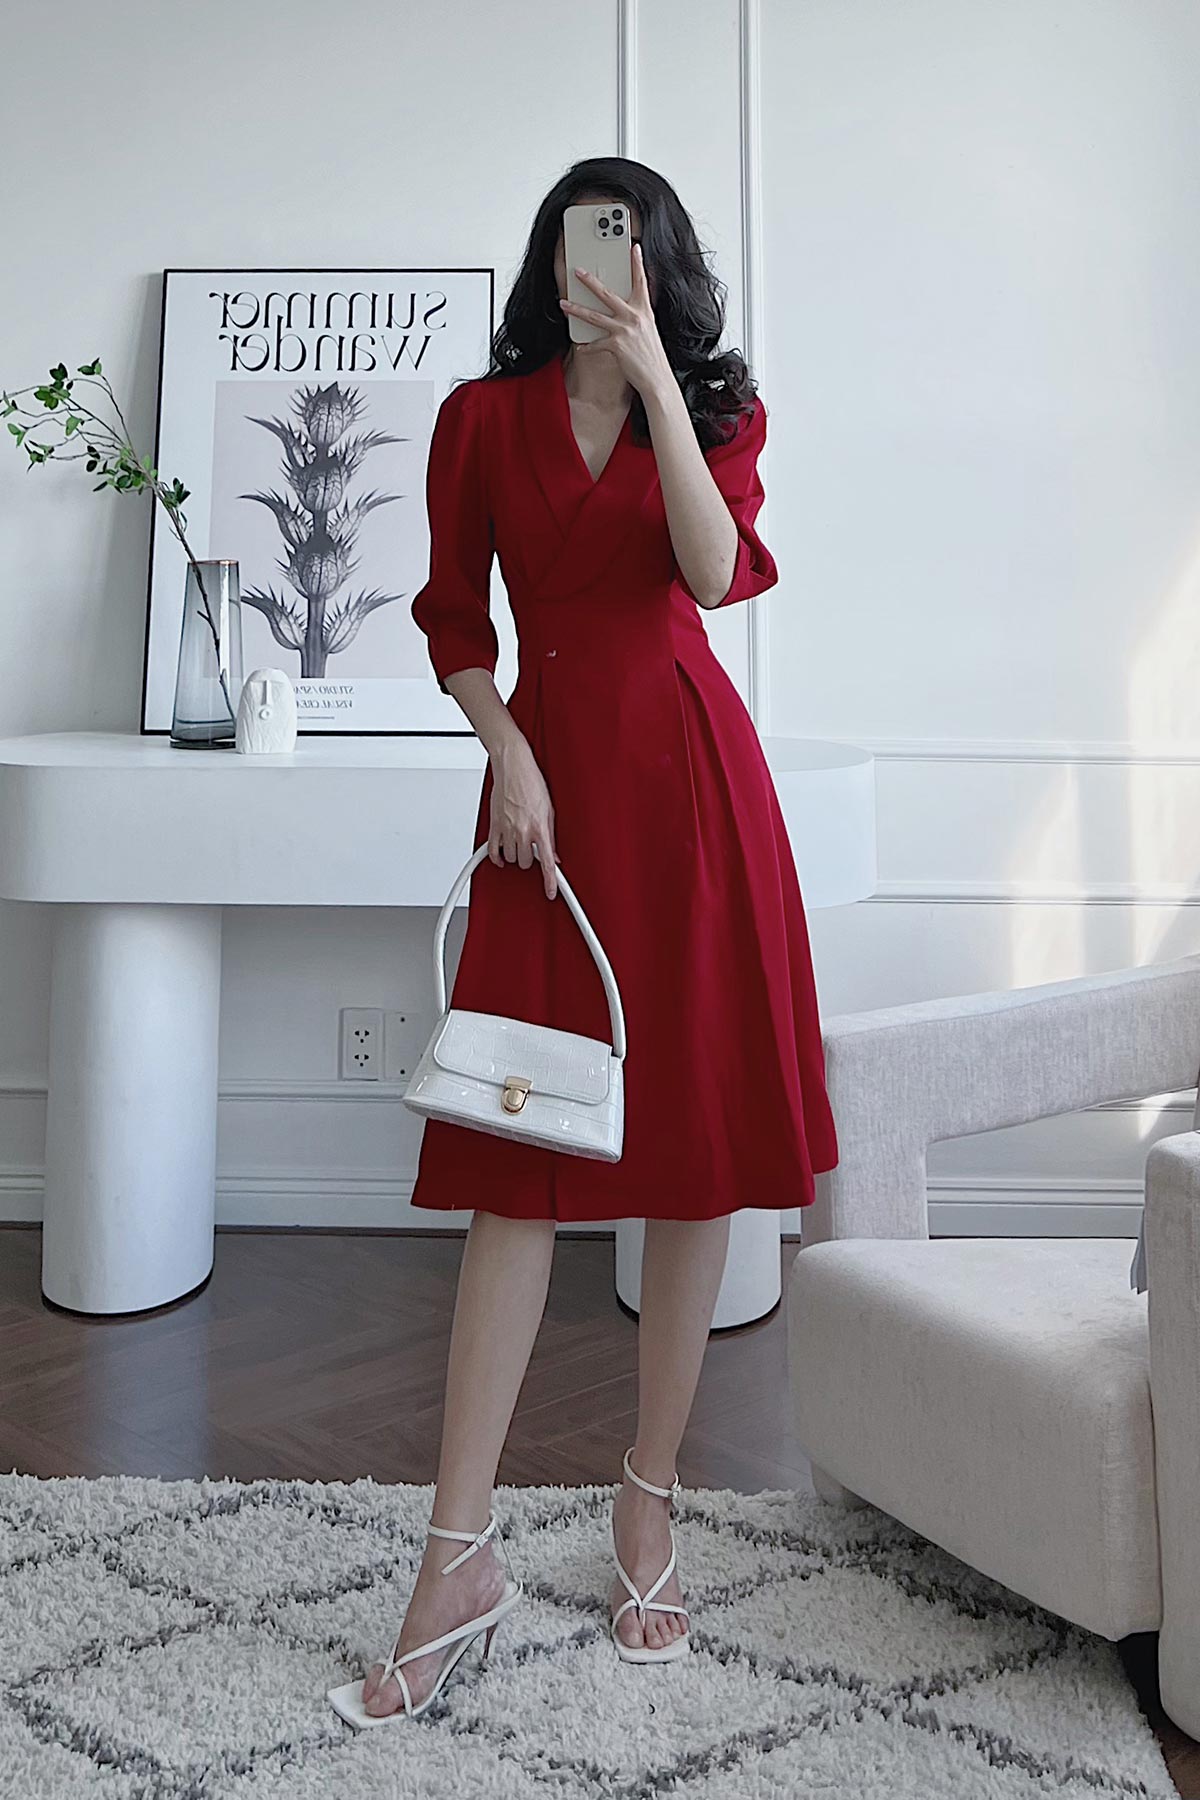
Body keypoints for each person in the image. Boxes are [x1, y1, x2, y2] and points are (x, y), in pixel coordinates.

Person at [335, 156, 839, 1725]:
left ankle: (649, 1501)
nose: (593, 267)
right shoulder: (482, 421)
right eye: (573, 242)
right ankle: (455, 1556)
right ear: (546, 260)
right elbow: (453, 624)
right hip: (542, 814)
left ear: (656, 265)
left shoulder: (721, 416)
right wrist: (508, 753)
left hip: (692, 797)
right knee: (514, 1168)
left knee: (694, 1161)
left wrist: (661, 390)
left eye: (620, 246)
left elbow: (711, 574)